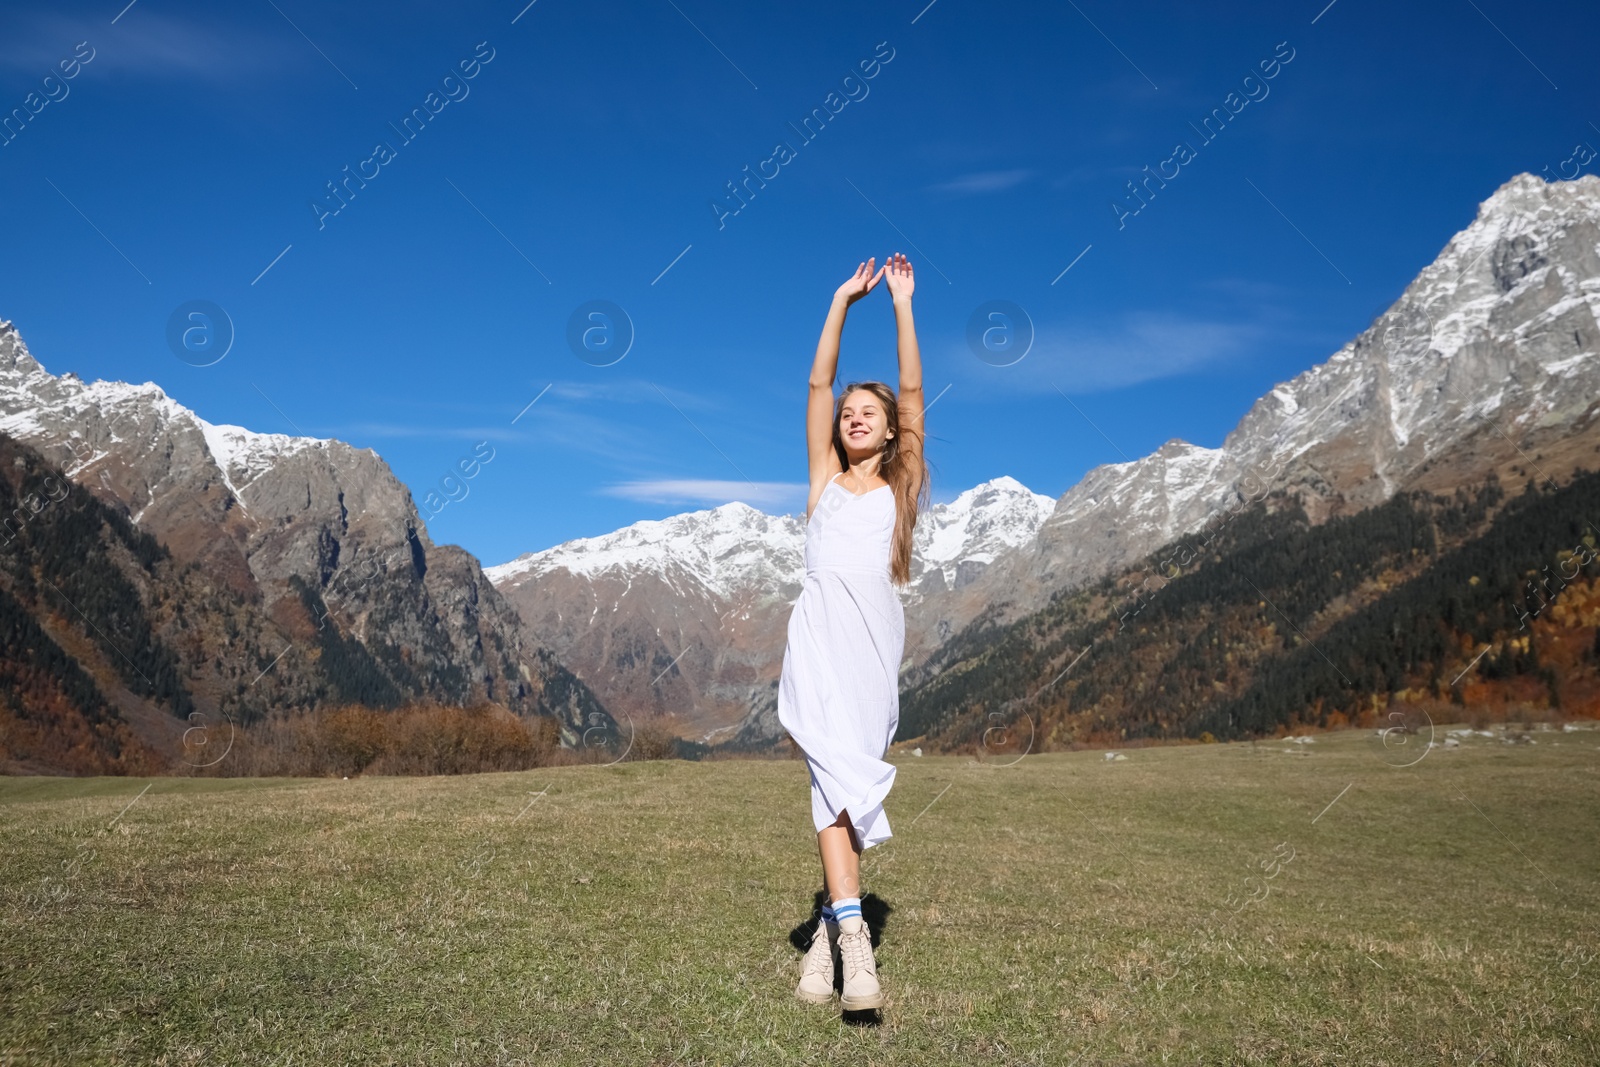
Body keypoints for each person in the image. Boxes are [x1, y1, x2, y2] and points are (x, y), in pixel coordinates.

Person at [778, 252, 930, 1011]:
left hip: (874, 647)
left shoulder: (900, 488)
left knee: (848, 793)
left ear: (892, 429)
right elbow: (815, 384)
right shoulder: (821, 481)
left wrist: (902, 305)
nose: (853, 414)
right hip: (817, 642)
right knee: (828, 780)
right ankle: (853, 949)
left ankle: (825, 938)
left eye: (868, 410)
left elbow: (912, 389)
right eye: (848, 411)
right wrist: (840, 298)